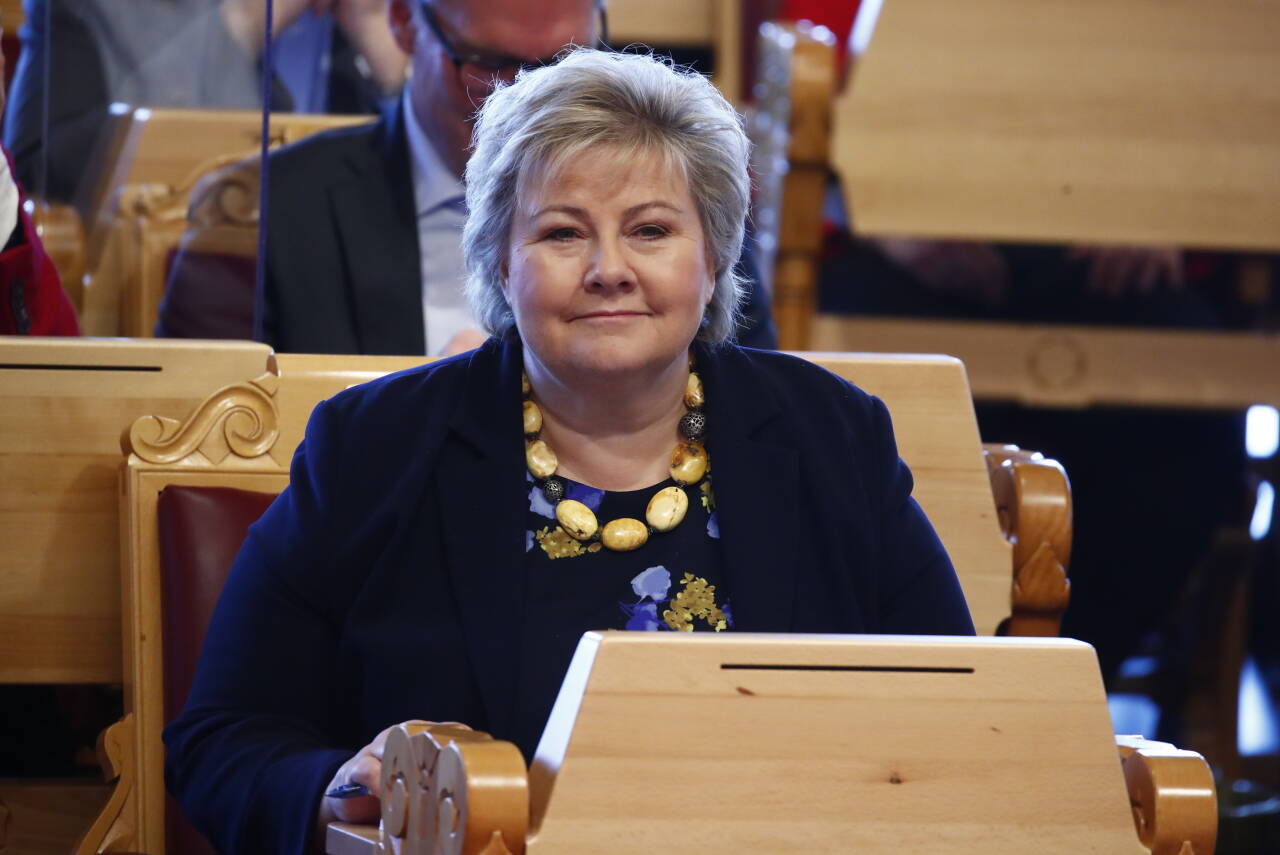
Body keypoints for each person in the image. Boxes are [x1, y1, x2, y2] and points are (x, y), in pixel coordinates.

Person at [164, 48, 972, 853]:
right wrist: (346, 788)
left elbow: (960, 718)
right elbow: (223, 742)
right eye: (561, 232)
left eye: (651, 230)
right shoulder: (372, 449)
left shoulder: (832, 437)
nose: (607, 269)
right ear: (500, 261)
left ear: (714, 254)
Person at [161, 0, 776, 354]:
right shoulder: (265, 211)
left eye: (557, 65)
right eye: (488, 65)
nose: (522, 100)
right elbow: (214, 457)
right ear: (404, 23)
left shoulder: (679, 199)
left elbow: (744, 406)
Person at [3, 0, 406, 203]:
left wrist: (376, 31)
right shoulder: (82, 9)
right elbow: (39, 171)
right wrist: (243, 25)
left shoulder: (355, 18)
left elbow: (424, 184)